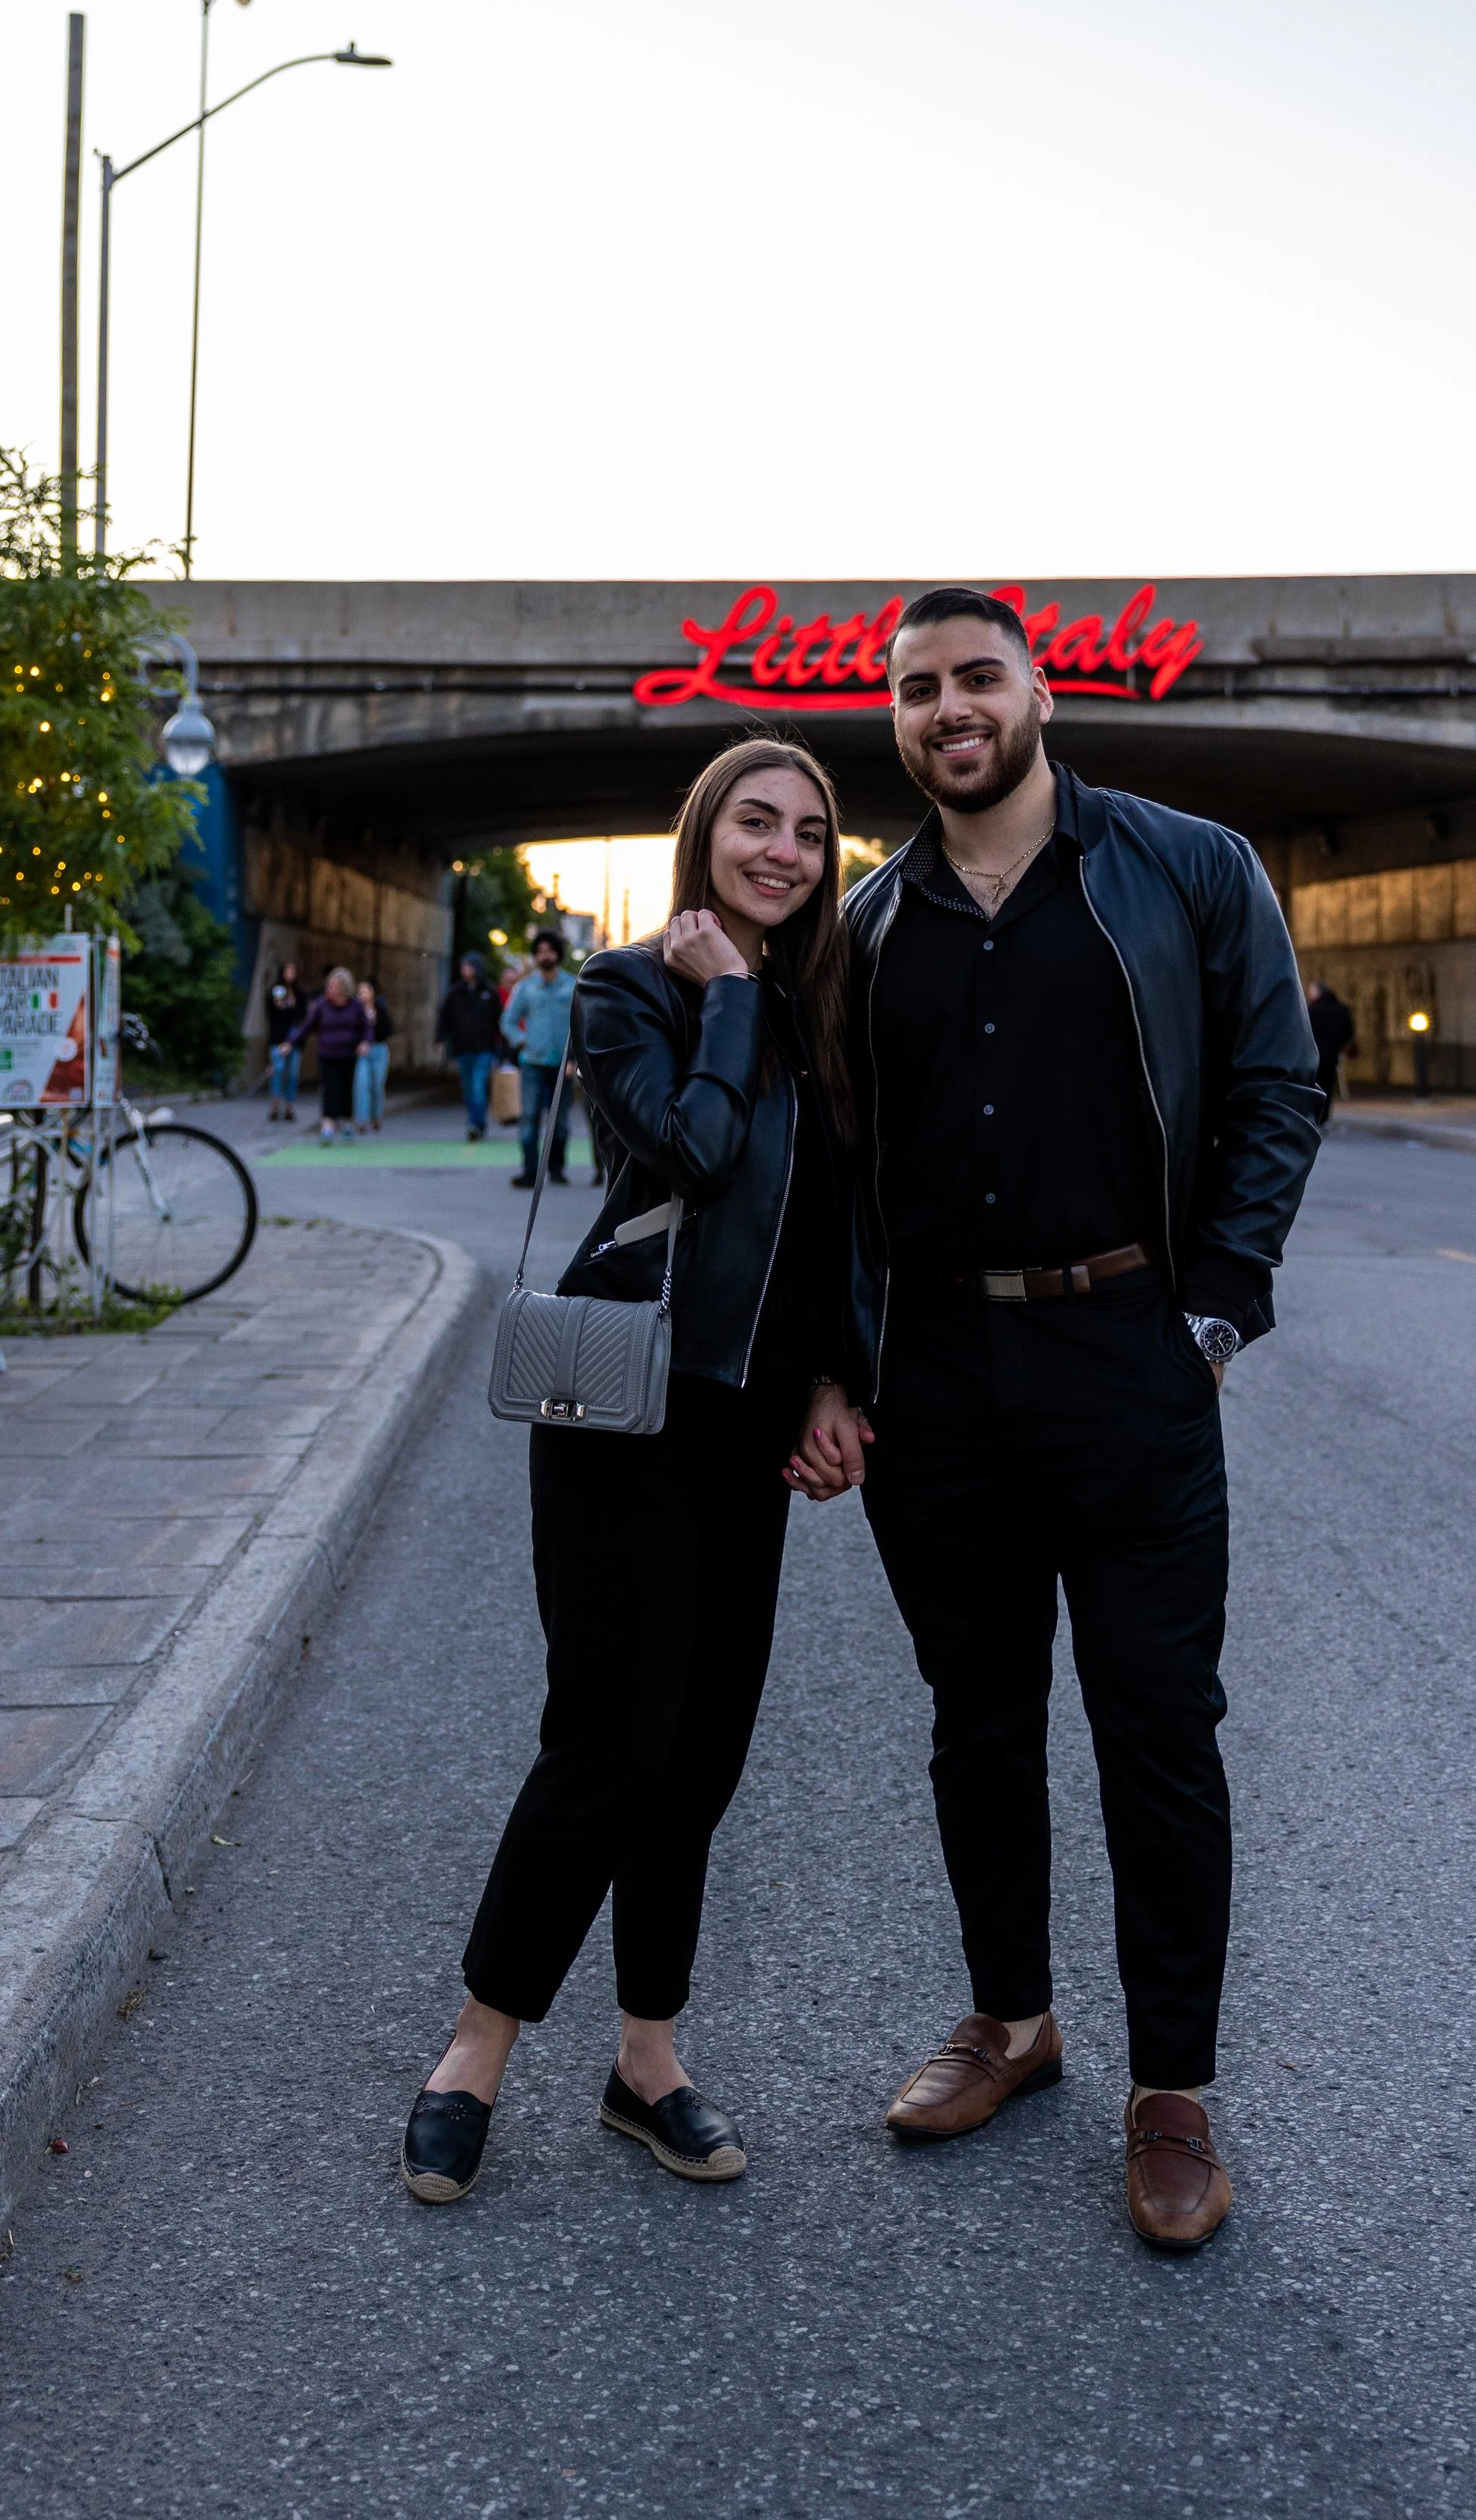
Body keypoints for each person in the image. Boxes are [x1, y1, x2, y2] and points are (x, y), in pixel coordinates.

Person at [789, 585, 1323, 2251]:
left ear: (1035, 690)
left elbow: (1273, 1081)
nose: (943, 707)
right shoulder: (868, 922)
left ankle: (1172, 2093)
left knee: (1157, 1730)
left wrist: (1214, 1307)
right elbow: (832, 1167)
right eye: (910, 688)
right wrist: (833, 1363)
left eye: (971, 677)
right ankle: (1010, 2023)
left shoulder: (1184, 865)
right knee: (975, 1718)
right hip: (936, 1375)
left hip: (1128, 1357)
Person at [401, 740, 858, 2207]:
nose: (782, 850)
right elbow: (694, 1150)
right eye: (755, 822)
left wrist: (846, 1382)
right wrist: (725, 993)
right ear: (703, 835)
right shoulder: (626, 991)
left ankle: (644, 2062)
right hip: (623, 1411)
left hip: (753, 1421)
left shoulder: (831, 1015)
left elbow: (853, 1222)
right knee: (607, 1744)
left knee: (702, 1755)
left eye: (807, 833)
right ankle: (474, 2050)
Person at [501, 929, 575, 1189]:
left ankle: (557, 1168)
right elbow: (508, 1021)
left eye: (551, 951)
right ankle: (530, 1170)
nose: (546, 956)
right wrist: (522, 1040)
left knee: (561, 1121)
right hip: (532, 1062)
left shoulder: (572, 986)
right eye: (541, 951)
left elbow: (580, 1025)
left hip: (562, 1064)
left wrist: (574, 1059)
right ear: (535, 956)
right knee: (529, 1116)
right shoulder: (526, 988)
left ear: (558, 954)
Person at [289, 967, 369, 1145]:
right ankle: (327, 1126)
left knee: (346, 1089)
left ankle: (347, 1122)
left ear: (344, 987)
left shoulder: (355, 1006)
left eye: (334, 986)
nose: (330, 989)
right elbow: (307, 1027)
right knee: (330, 1089)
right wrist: (290, 1043)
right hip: (327, 1053)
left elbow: (366, 1028)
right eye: (329, 986)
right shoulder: (322, 1005)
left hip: (348, 1054)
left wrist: (365, 1043)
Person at [436, 953, 504, 1140]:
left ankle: (475, 1123)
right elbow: (445, 1017)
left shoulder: (489, 992)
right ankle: (477, 1121)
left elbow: (500, 1019)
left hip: (484, 1048)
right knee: (468, 1088)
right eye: (463, 966)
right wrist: (441, 1038)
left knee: (478, 1085)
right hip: (462, 1048)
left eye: (469, 966)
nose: (465, 970)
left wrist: (504, 1045)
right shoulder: (455, 993)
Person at [1306, 977, 1356, 1117]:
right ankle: (1325, 1115)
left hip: (1315, 1054)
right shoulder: (1340, 1009)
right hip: (1332, 1054)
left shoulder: (1313, 1010)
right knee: (1328, 1085)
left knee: (1314, 1085)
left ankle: (1315, 1116)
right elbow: (1348, 1032)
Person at [352, 981, 395, 1132]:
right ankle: (361, 1120)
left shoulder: (380, 1010)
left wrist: (374, 1023)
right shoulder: (355, 1012)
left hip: (379, 1049)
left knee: (377, 1085)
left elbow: (389, 1030)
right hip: (363, 1051)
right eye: (360, 992)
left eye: (366, 991)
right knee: (362, 1084)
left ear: (372, 994)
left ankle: (376, 1116)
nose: (363, 995)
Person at [264, 960, 303, 1123]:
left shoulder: (299, 993)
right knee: (278, 1072)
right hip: (278, 1039)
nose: (290, 975)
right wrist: (281, 1006)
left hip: (294, 1040)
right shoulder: (276, 990)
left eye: (293, 971)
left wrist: (292, 1006)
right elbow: (272, 1012)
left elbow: (303, 1015)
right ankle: (274, 1107)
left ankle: (289, 1108)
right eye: (288, 971)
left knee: (292, 1075)